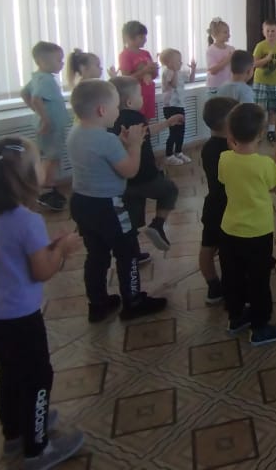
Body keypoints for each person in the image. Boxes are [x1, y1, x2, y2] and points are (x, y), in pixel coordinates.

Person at [0, 137, 85, 469]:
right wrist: (62, 250)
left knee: (9, 372)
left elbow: (10, 255)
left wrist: (47, 248)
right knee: (38, 378)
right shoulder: (27, 220)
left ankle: (14, 434)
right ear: (18, 180)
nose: (44, 167)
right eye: (37, 163)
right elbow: (41, 272)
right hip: (18, 317)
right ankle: (38, 449)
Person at [65, 79, 166, 323]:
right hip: (108, 206)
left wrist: (121, 144)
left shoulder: (75, 133)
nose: (118, 112)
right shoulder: (106, 140)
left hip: (81, 203)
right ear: (102, 110)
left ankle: (97, 304)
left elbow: (97, 159)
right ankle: (133, 302)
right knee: (127, 252)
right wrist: (134, 146)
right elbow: (129, 170)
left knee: (96, 254)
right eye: (115, 107)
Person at [218, 103, 276, 345]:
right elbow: (273, 186)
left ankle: (236, 317)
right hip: (258, 233)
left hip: (229, 230)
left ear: (231, 134)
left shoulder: (224, 159)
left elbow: (224, 179)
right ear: (261, 133)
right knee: (259, 279)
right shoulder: (264, 164)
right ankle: (260, 327)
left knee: (233, 276)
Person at [110, 77, 184, 253]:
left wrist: (167, 123)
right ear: (129, 102)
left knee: (133, 218)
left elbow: (146, 131)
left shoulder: (112, 120)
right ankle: (157, 224)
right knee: (170, 190)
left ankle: (133, 254)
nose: (142, 98)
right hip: (146, 176)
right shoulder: (136, 117)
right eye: (140, 95)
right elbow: (144, 133)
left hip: (125, 181)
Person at [198, 96, 238, 307]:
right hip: (229, 206)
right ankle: (235, 286)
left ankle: (213, 285)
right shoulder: (232, 150)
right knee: (232, 249)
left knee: (208, 246)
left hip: (213, 204)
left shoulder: (207, 147)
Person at [20, 42, 69, 212]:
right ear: (42, 61)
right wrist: (45, 118)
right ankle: (45, 189)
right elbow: (35, 98)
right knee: (51, 158)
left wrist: (38, 113)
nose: (62, 64)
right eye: (58, 60)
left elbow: (24, 93)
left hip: (49, 125)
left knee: (49, 157)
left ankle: (47, 186)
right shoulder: (45, 79)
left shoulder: (38, 77)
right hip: (51, 126)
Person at [252, 20, 276, 142]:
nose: (270, 33)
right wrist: (266, 59)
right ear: (263, 32)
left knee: (273, 109)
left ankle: (271, 131)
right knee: (259, 110)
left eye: (273, 31)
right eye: (268, 31)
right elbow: (254, 64)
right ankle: (258, 132)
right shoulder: (260, 46)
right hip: (260, 83)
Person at [159, 48, 195, 165]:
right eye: (178, 61)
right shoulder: (167, 72)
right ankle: (169, 155)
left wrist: (193, 69)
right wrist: (174, 71)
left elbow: (191, 80)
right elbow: (174, 84)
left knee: (181, 131)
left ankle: (179, 152)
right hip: (170, 107)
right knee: (173, 132)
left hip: (180, 106)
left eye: (181, 60)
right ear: (169, 63)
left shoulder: (179, 72)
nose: (181, 63)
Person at [117, 20, 158, 121]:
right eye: (141, 37)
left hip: (149, 93)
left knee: (147, 123)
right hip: (136, 95)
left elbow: (153, 75)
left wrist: (154, 70)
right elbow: (126, 79)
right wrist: (144, 70)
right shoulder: (125, 55)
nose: (145, 40)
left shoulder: (146, 53)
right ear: (129, 37)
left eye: (145, 37)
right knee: (138, 121)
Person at [204, 18, 234, 96]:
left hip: (229, 85)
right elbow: (213, 71)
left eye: (229, 32)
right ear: (215, 34)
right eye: (225, 32)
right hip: (215, 87)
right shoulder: (211, 50)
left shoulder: (231, 49)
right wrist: (228, 59)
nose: (229, 35)